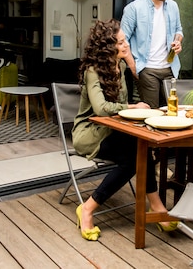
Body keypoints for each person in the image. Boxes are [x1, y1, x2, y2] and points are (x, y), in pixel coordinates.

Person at [71, 19, 177, 241]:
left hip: (113, 130)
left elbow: (125, 103)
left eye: (125, 40)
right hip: (91, 133)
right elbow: (101, 109)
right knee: (133, 158)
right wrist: (131, 107)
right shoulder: (92, 71)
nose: (126, 45)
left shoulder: (118, 67)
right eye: (120, 42)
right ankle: (88, 208)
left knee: (142, 145)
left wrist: (129, 61)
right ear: (108, 47)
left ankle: (156, 207)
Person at [121, 0, 183, 108]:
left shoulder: (173, 6)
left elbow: (179, 31)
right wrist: (134, 68)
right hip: (147, 69)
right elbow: (122, 41)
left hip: (170, 68)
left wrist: (178, 41)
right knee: (152, 113)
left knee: (171, 111)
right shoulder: (133, 9)